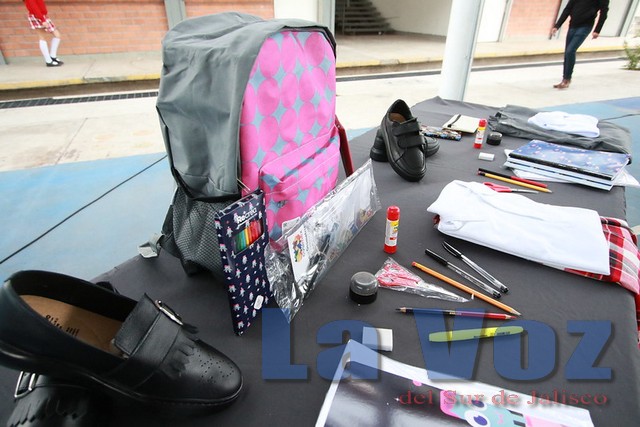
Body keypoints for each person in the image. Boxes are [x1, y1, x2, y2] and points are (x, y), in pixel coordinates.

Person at [550, 0, 608, 89]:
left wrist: (597, 30)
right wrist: (557, 25)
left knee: (570, 51)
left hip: (586, 26)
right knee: (567, 53)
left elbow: (604, 12)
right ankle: (564, 78)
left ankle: (567, 79)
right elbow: (568, 9)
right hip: (573, 25)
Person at [24, 0, 64, 67]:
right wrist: (42, 20)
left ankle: (52, 56)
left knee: (57, 35)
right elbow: (34, 7)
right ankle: (48, 61)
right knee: (42, 37)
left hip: (43, 16)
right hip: (37, 16)